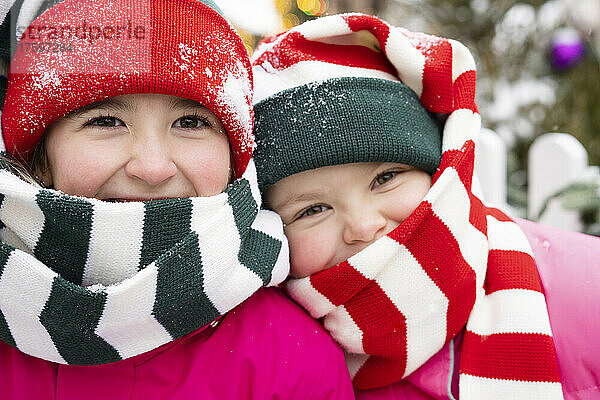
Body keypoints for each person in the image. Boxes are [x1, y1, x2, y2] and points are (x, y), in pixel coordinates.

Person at [0, 1, 355, 398]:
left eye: (190, 122)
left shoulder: (293, 358)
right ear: (40, 156)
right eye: (105, 121)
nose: (153, 168)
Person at [251, 13, 600, 400]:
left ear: (439, 174)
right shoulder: (275, 363)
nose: (364, 226)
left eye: (385, 178)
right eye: (313, 210)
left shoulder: (588, 290)